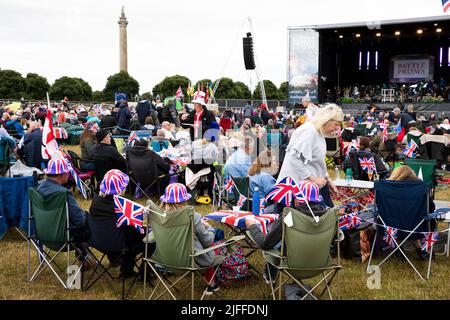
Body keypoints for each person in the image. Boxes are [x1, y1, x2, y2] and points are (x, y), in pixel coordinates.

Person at [245, 180, 328, 283]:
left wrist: (252, 226)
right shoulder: (328, 215)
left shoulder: (289, 216)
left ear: (297, 200)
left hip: (292, 264)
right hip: (321, 263)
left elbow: (265, 244)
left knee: (276, 242)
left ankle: (270, 275)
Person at [277, 104, 344, 208]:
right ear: (327, 120)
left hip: (312, 186)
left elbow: (318, 161)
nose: (337, 128)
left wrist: (328, 180)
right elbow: (294, 159)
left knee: (327, 217)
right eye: (336, 124)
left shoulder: (319, 133)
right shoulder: (309, 131)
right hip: (297, 189)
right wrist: (314, 179)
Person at [88, 169, 150, 279]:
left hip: (97, 242)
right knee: (149, 241)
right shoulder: (123, 207)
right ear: (122, 188)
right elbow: (133, 230)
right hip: (117, 245)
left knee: (125, 235)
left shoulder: (95, 201)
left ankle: (123, 267)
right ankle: (141, 275)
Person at [159, 183, 219, 294]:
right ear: (184, 200)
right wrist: (209, 228)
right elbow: (207, 241)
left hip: (166, 260)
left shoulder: (160, 217)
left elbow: (151, 238)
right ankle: (211, 284)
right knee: (213, 242)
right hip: (191, 261)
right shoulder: (193, 216)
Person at [37, 157, 89, 262]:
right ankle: (84, 257)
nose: (68, 175)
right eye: (67, 172)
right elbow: (79, 220)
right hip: (63, 238)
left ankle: (84, 256)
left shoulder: (38, 189)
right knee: (87, 224)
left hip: (42, 235)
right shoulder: (63, 193)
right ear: (62, 175)